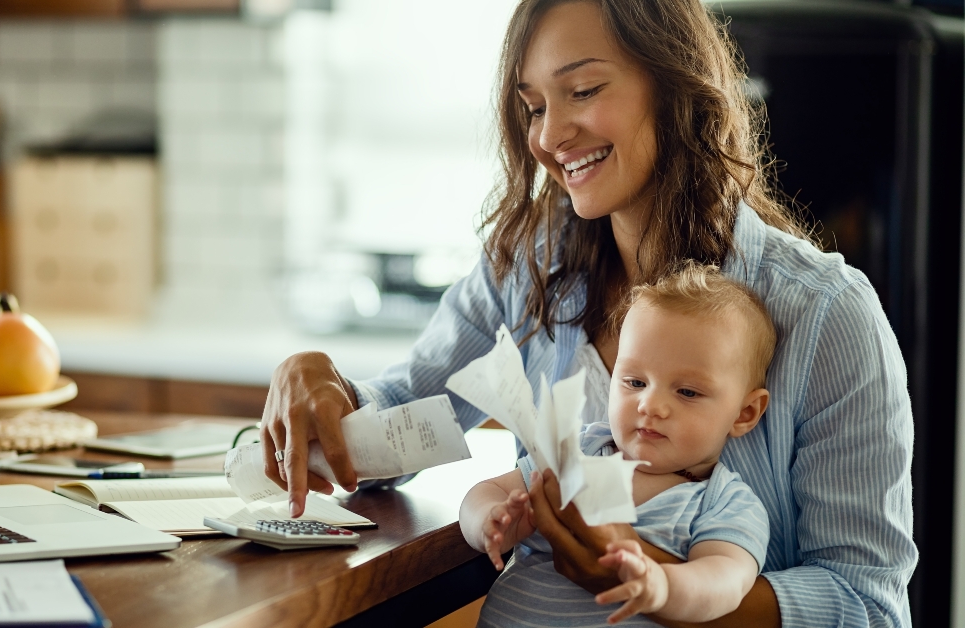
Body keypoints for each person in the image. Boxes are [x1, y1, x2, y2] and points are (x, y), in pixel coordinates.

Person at [260, 0, 917, 625]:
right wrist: (326, 395)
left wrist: (646, 580)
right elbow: (408, 417)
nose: (548, 136)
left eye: (583, 91)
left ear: (673, 83)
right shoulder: (526, 271)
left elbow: (865, 605)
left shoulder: (827, 314)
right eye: (534, 106)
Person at [463, 263, 774, 626]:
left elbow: (725, 584)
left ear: (744, 413)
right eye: (635, 382)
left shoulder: (724, 504)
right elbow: (487, 490)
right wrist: (489, 520)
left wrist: (663, 584)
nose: (649, 405)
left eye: (687, 391)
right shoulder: (580, 451)